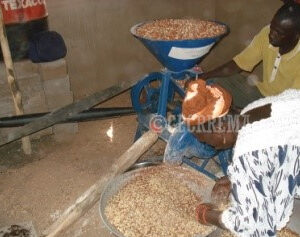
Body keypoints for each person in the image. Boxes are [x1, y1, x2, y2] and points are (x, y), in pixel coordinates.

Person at [194, 89, 300, 236]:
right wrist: (234, 177)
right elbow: (276, 149)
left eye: (207, 141)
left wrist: (207, 215)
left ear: (219, 128)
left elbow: (256, 226)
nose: (214, 147)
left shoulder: (249, 152)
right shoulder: (252, 109)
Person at [192, 3, 300, 108]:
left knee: (245, 116)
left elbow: (290, 104)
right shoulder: (266, 33)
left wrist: (246, 115)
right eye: (272, 27)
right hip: (261, 94)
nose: (271, 34)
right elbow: (239, 63)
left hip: (283, 107)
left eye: (279, 33)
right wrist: (203, 77)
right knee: (217, 81)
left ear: (296, 35)